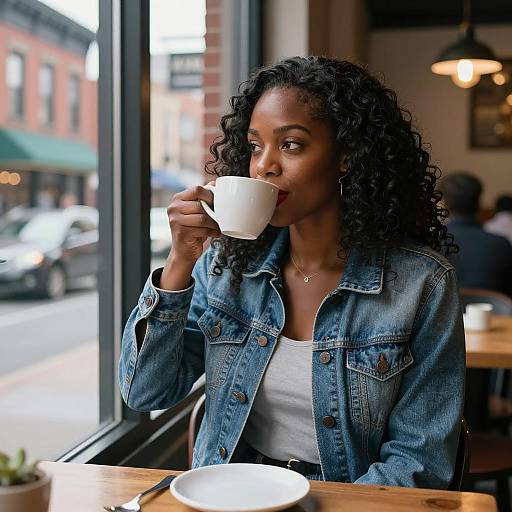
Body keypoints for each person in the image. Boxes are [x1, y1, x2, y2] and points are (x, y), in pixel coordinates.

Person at [119, 56, 465, 488]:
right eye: (254, 146)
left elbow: (420, 460)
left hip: (346, 500)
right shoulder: (224, 266)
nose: (264, 165)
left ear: (346, 156)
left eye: (291, 144)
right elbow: (145, 393)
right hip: (229, 492)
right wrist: (179, 263)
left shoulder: (422, 284)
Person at [440, 173, 512, 297]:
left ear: (444, 205)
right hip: (493, 315)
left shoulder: (433, 241)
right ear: (478, 204)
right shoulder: (500, 244)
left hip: (443, 314)